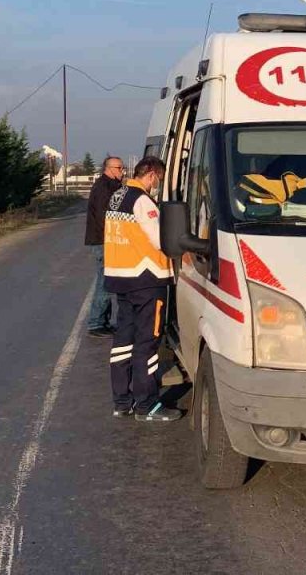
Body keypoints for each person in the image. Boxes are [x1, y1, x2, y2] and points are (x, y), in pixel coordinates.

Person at [104, 156, 182, 422]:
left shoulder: (117, 196)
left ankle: (122, 402)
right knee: (147, 343)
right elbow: (162, 239)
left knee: (123, 342)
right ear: (150, 174)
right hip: (147, 279)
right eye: (157, 179)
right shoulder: (142, 200)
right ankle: (147, 405)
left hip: (122, 278)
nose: (156, 185)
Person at [84, 156, 124, 337]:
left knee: (106, 281)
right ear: (109, 168)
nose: (122, 171)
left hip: (103, 240)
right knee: (104, 283)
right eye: (119, 168)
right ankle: (96, 323)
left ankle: (103, 321)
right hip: (103, 241)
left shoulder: (110, 185)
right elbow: (104, 217)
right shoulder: (103, 187)